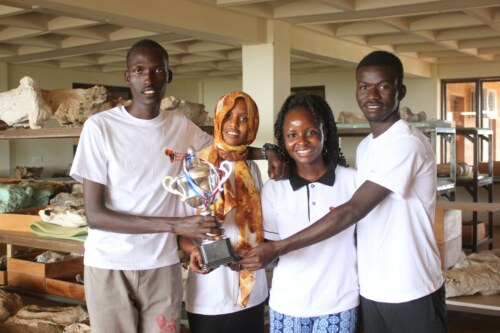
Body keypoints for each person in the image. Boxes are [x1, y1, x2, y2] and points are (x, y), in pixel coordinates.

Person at [70, 39, 285, 333]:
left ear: (168, 76)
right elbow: (95, 216)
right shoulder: (100, 128)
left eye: (158, 70)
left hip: (162, 265)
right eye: (139, 70)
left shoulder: (180, 127)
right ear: (127, 77)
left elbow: (225, 148)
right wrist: (178, 225)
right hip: (110, 263)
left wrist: (270, 151)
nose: (148, 78)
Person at [240, 51, 448, 333]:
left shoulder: (406, 143)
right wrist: (269, 151)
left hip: (411, 286)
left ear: (401, 91)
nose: (371, 95)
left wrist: (278, 247)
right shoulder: (367, 147)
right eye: (364, 87)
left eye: (383, 86)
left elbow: (353, 210)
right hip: (373, 289)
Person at [262, 92, 359, 332]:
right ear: (282, 139)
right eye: (292, 135)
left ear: (326, 132)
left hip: (339, 303)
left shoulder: (353, 182)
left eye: (311, 132)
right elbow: (271, 252)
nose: (302, 142)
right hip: (287, 304)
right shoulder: (274, 189)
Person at [179, 91, 268, 333]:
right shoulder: (196, 165)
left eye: (243, 118)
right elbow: (180, 229)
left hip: (251, 287)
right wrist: (193, 250)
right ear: (218, 118)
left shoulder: (252, 168)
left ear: (252, 124)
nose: (234, 124)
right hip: (210, 290)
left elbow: (260, 225)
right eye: (228, 115)